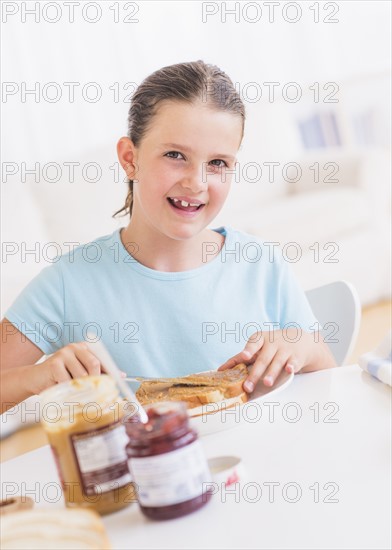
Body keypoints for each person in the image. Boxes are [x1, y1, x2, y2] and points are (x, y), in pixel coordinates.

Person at [0, 60, 337, 413]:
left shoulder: (261, 264)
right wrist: (38, 377)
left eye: (218, 163)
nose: (197, 182)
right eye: (175, 155)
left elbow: (330, 379)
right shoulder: (68, 283)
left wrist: (305, 347)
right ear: (131, 159)